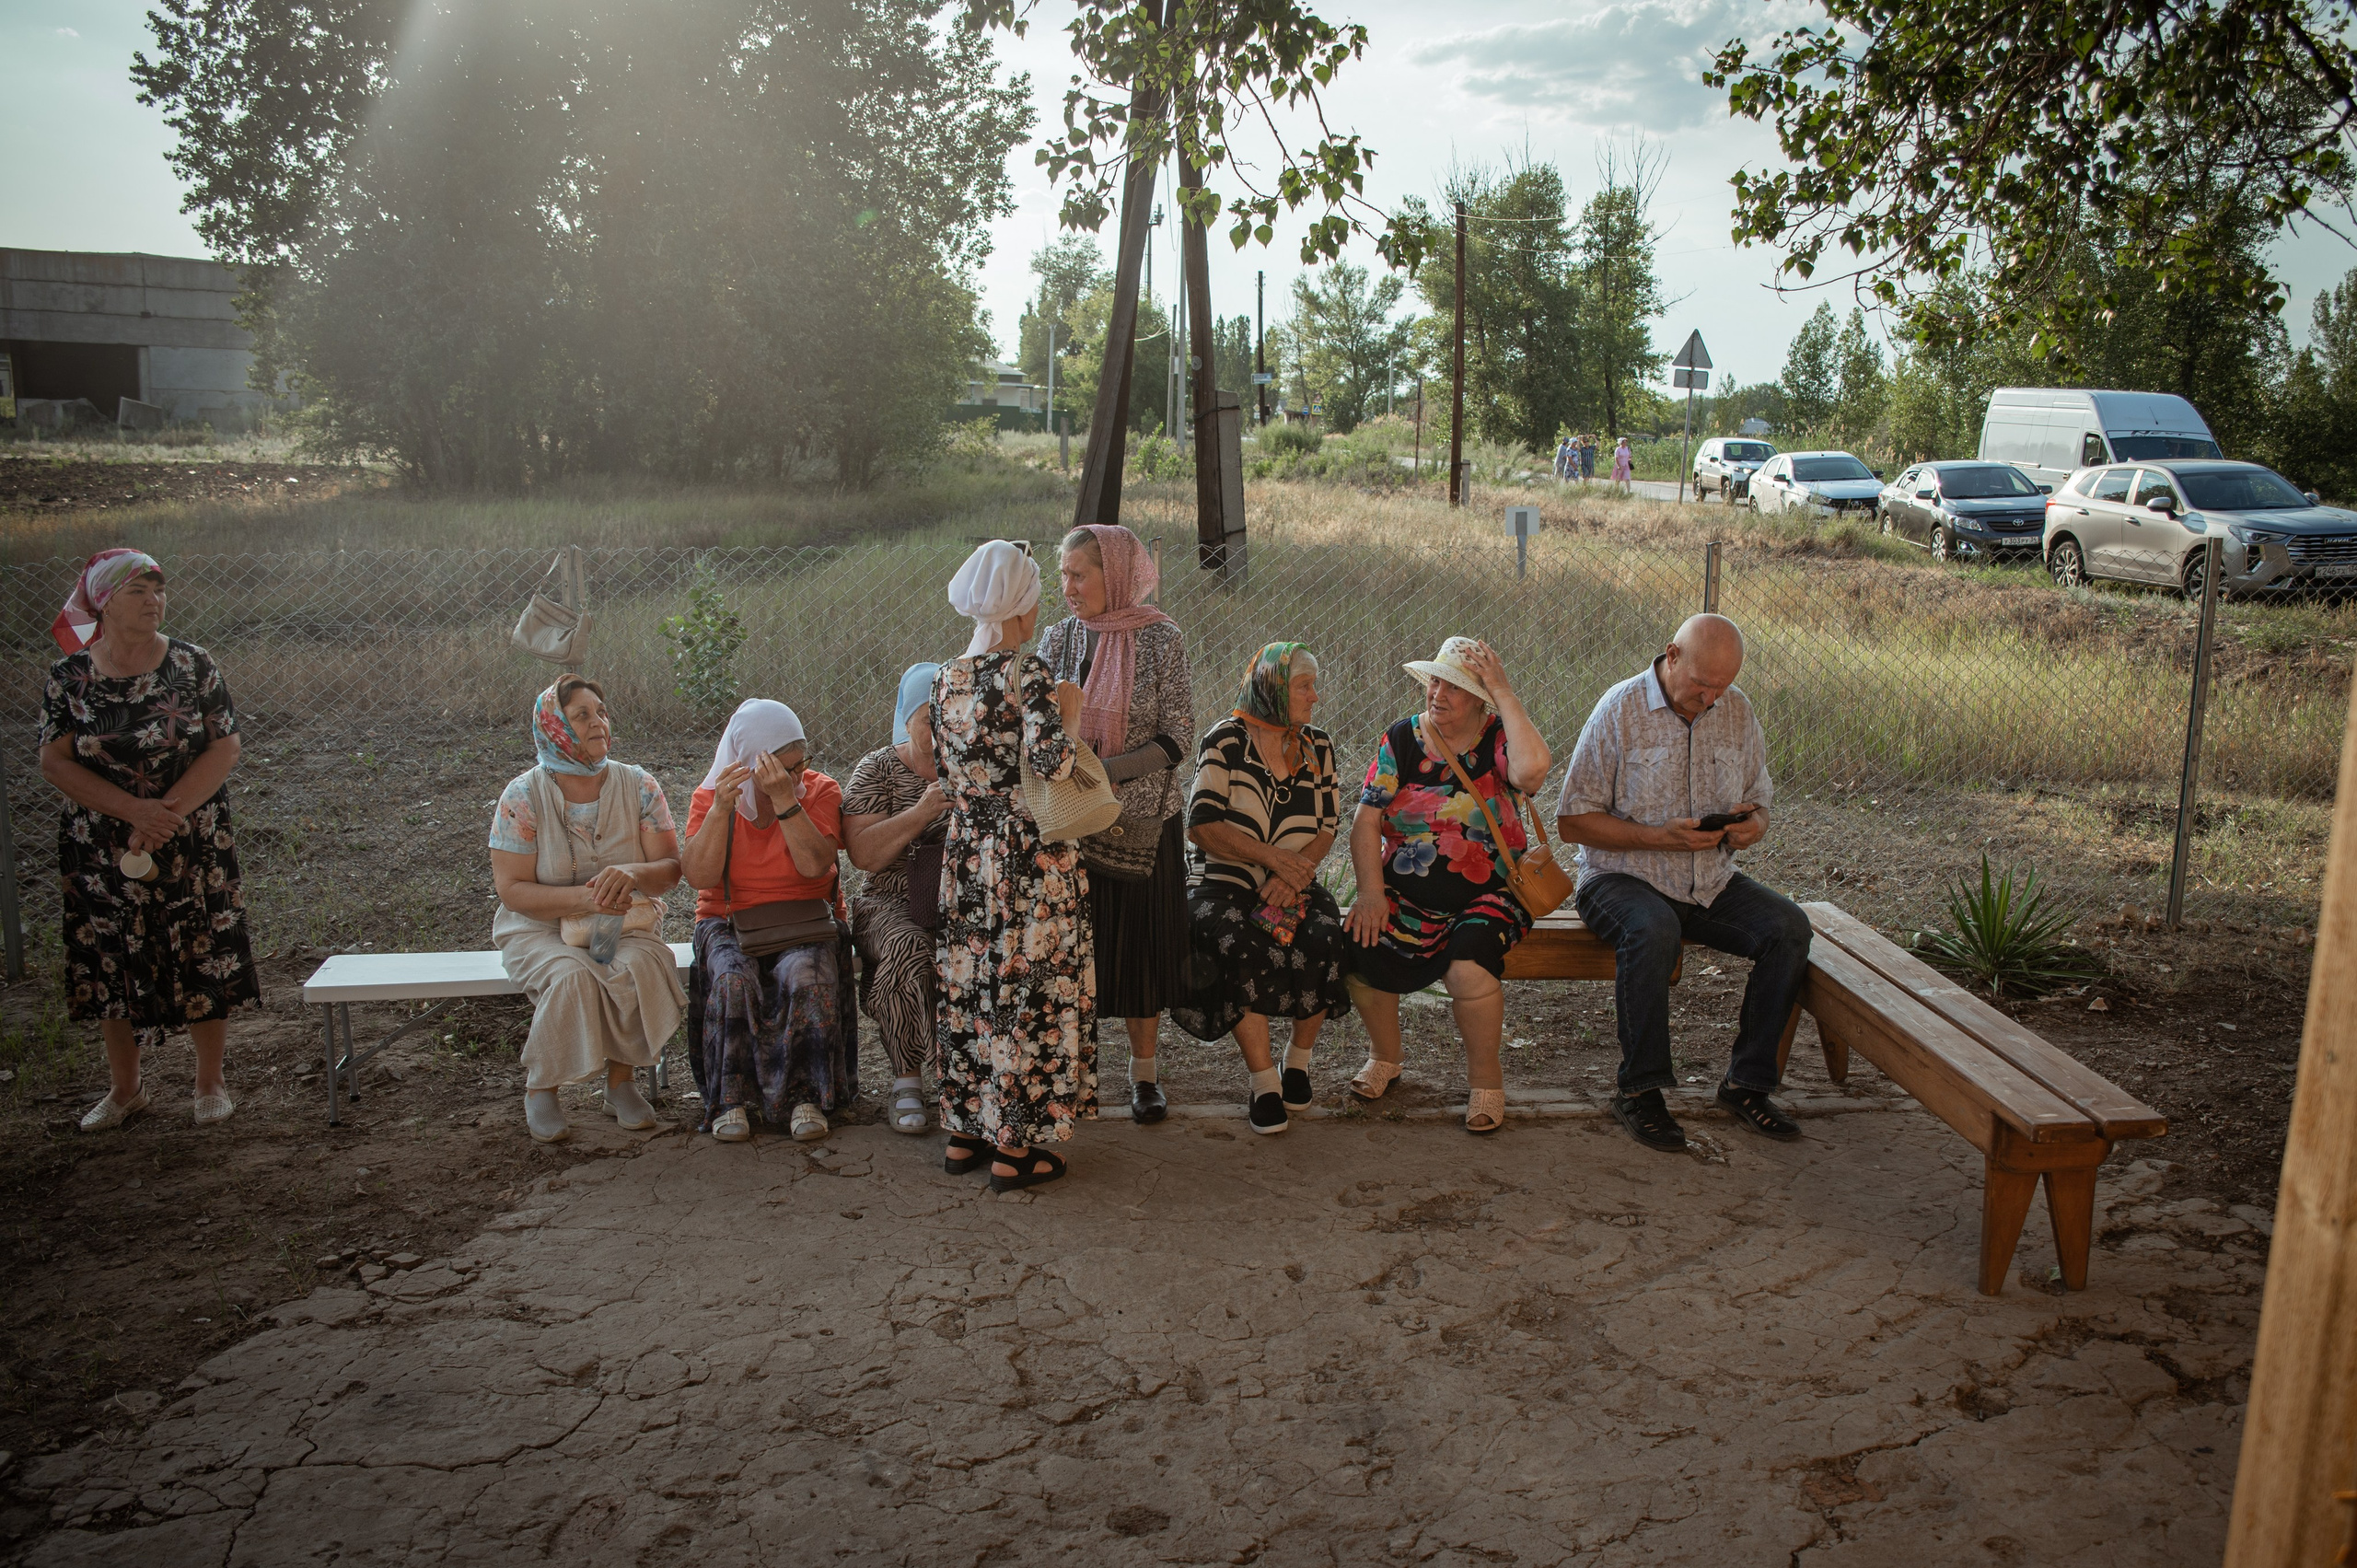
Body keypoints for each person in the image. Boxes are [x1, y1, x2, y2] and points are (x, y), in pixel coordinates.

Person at [1555, 613, 1813, 1153]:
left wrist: (1753, 827)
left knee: (1788, 928)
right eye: (1701, 684)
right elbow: (1572, 822)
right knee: (1653, 929)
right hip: (1620, 878)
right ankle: (1640, 1092)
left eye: (1722, 686)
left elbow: (1760, 803)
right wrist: (1658, 838)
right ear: (1671, 656)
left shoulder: (1736, 709)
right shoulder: (1619, 709)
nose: (1711, 698)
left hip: (1709, 881)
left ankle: (1747, 1085)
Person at [40, 550, 260, 1131]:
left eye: (158, 590)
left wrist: (164, 815)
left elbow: (225, 745)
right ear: (104, 603)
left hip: (190, 836)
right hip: (103, 843)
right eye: (137, 591)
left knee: (202, 949)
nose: (153, 601)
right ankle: (125, 1089)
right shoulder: (69, 677)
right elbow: (55, 761)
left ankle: (209, 1082)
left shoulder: (192, 664)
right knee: (113, 957)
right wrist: (133, 811)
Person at [933, 540, 1096, 1192]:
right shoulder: (1027, 673)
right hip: (1027, 855)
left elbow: (945, 770)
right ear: (1021, 606)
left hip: (968, 852)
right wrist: (1071, 714)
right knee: (1025, 985)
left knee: (972, 982)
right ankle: (1014, 1148)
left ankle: (965, 1132)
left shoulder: (946, 676)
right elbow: (1053, 763)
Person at [1342, 637, 1552, 1135]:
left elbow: (1532, 773)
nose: (1438, 694)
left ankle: (1486, 1081)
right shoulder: (1401, 739)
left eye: (1453, 687)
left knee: (1467, 965)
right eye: (1435, 681)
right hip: (1406, 892)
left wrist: (1504, 692)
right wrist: (1370, 892)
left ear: (1480, 699)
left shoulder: (1499, 737)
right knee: (1360, 942)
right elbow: (1366, 820)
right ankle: (1385, 1057)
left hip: (1492, 894)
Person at [1039, 524, 1194, 1125]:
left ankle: (1144, 1074)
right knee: (1076, 952)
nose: (1068, 587)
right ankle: (1073, 1075)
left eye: (1080, 574)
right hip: (1071, 823)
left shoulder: (1161, 639)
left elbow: (1177, 736)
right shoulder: (1059, 639)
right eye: (1063, 574)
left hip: (1143, 823)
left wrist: (1102, 772)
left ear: (1117, 575)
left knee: (1140, 952)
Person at [489, 677, 684, 1144]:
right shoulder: (522, 796)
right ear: (555, 728)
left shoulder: (639, 785)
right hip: (539, 929)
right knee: (572, 976)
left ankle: (620, 1084)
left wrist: (633, 874)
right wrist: (585, 899)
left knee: (639, 966)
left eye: (601, 712)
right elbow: (511, 890)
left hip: (625, 924)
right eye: (582, 715)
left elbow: (670, 870)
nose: (598, 723)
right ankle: (542, 1088)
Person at [1172, 643, 1353, 1134]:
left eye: (1314, 686)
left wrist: (1292, 876)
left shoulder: (1318, 746)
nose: (1315, 696)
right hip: (1222, 881)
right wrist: (1273, 860)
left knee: (1324, 935)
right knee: (1233, 942)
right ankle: (1263, 1081)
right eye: (1304, 686)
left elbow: (1327, 828)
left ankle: (1297, 1063)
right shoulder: (1225, 740)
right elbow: (1201, 826)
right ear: (1272, 688)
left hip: (1293, 882)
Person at [680, 699, 856, 1144]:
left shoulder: (820, 790)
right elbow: (698, 877)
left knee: (807, 975)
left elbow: (815, 866)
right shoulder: (713, 797)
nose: (796, 776)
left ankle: (805, 1097)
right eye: (783, 768)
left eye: (801, 764)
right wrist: (720, 811)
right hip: (728, 918)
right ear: (749, 764)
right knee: (732, 979)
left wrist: (785, 801)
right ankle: (730, 1101)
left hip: (805, 918)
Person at [843, 663, 947, 1136]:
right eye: (928, 718)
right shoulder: (878, 769)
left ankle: (968, 1077)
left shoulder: (972, 765)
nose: (939, 728)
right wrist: (921, 813)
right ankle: (908, 1079)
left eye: (948, 715)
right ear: (906, 720)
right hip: (889, 899)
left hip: (958, 897)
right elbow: (863, 855)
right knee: (909, 948)